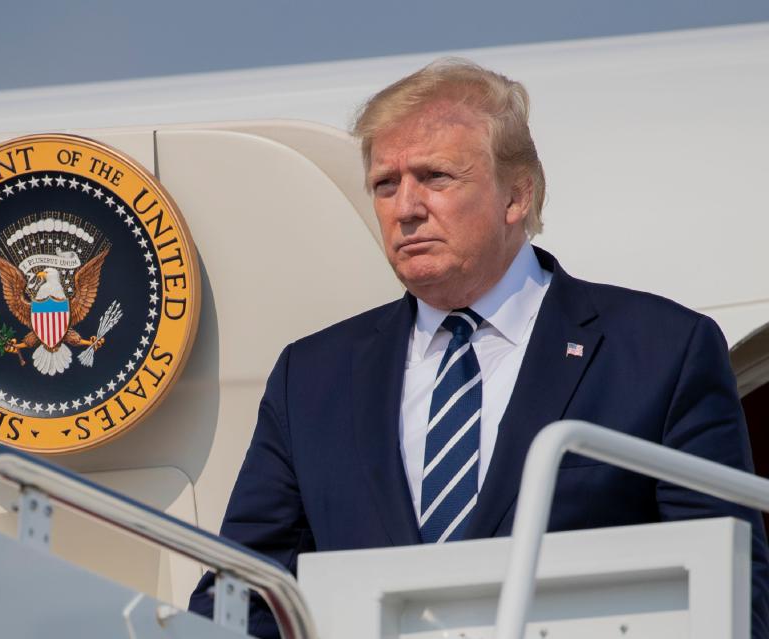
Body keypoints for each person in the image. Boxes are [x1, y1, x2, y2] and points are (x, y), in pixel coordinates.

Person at [189, 58, 769, 638]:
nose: (405, 208)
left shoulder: (660, 351)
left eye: (436, 177)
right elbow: (244, 593)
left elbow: (730, 587)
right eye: (385, 185)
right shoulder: (312, 377)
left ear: (518, 195)